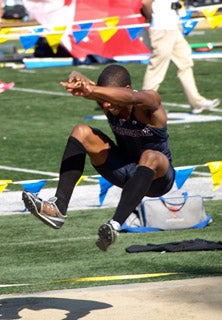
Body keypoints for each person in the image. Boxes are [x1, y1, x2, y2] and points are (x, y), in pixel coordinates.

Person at [22, 64, 175, 251]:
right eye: (104, 102)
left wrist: (93, 89)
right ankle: (58, 207)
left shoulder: (148, 102)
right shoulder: (110, 103)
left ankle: (115, 225)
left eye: (110, 100)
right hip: (124, 170)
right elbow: (89, 85)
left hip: (157, 179)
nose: (107, 106)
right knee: (81, 131)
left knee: (149, 155)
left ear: (125, 89)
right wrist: (77, 75)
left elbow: (135, 97)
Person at [141, 0, 220, 114]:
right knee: (157, 66)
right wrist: (152, 18)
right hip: (161, 28)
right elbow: (146, 2)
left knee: (185, 62)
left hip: (173, 27)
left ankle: (197, 102)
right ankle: (145, 104)